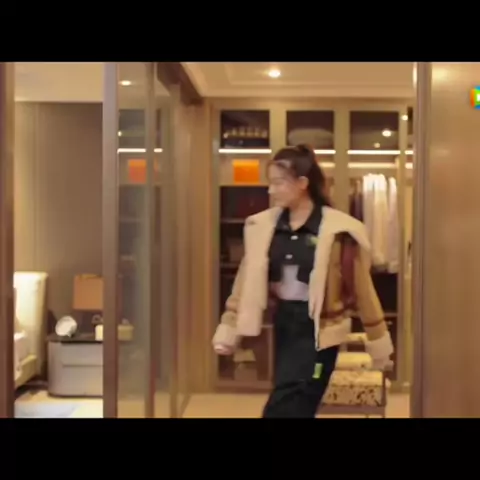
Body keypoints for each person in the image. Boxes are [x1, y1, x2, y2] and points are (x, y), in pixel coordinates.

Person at [212, 144, 393, 418]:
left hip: (320, 332)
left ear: (302, 183)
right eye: (270, 183)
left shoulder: (338, 230)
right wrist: (230, 324)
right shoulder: (264, 227)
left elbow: (362, 290)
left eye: (278, 183)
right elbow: (245, 280)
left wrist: (378, 341)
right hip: (285, 323)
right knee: (294, 401)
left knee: (291, 400)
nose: (271, 190)